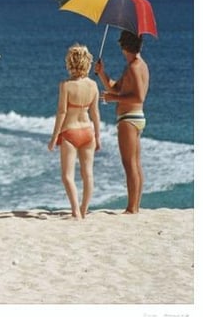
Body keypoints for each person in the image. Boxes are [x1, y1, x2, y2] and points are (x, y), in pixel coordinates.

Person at [95, 30, 150, 214]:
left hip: (129, 118)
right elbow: (115, 87)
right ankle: (135, 205)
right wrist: (102, 73)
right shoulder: (136, 65)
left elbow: (139, 96)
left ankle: (132, 208)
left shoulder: (135, 66)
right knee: (135, 162)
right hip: (135, 117)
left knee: (129, 163)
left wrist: (113, 99)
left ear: (125, 46)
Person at [47, 44, 101, 219]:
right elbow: (95, 113)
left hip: (70, 132)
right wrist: (98, 136)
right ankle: (84, 209)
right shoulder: (93, 85)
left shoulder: (66, 85)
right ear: (87, 63)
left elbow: (62, 112)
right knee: (88, 174)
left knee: (67, 175)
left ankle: (76, 210)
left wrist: (54, 137)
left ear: (70, 62)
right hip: (88, 131)